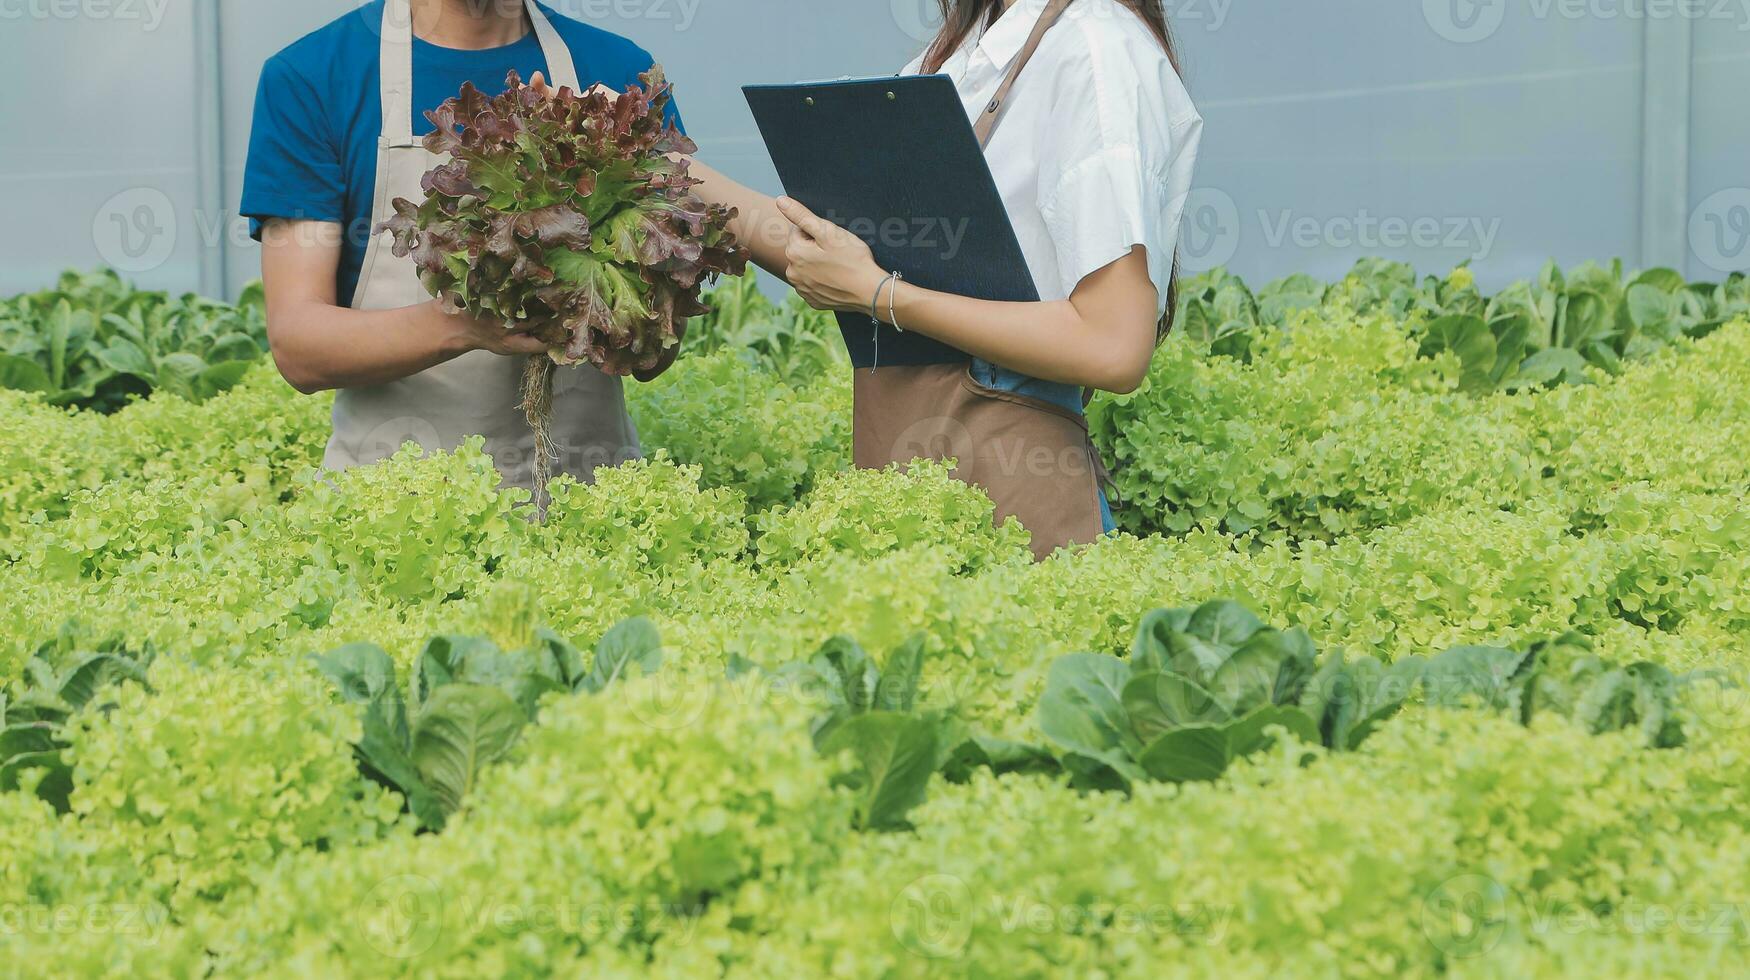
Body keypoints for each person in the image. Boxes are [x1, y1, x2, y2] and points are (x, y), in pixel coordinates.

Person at [689, 0, 1202, 559]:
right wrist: (667, 165)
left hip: (1014, 481)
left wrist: (881, 295)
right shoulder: (963, 51)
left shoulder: (1097, 50)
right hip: (917, 470)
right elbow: (839, 259)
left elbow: (1113, 347)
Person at [242, 0, 681, 491]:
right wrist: (465, 324)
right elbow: (300, 346)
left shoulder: (618, 73)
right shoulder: (313, 78)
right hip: (395, 517)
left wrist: (608, 305)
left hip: (588, 505)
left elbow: (658, 346)